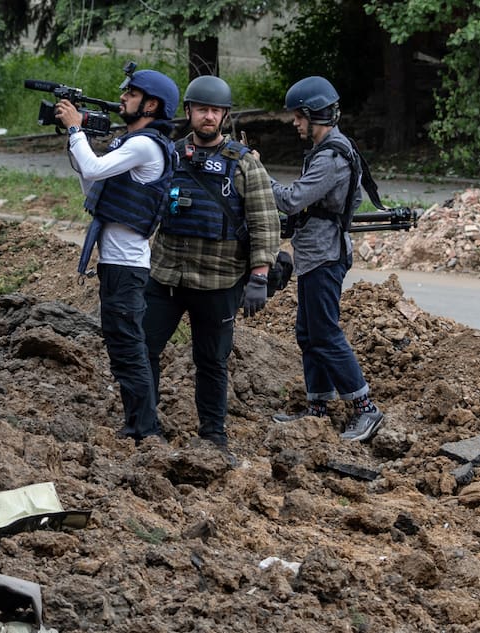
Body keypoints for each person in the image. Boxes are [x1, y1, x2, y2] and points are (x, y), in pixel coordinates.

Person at [142, 75, 281, 459]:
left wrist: (259, 275)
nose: (208, 117)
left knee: (212, 361)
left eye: (215, 111)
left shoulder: (244, 165)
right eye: (202, 109)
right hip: (167, 274)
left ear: (224, 116)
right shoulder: (168, 154)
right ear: (188, 112)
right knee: (144, 347)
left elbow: (266, 222)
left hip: (220, 281)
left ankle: (214, 437)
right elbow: (146, 208)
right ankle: (143, 425)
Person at [55, 67, 179, 444]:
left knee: (128, 346)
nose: (122, 98)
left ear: (151, 104)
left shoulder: (145, 145)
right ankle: (137, 423)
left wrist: (77, 130)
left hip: (127, 268)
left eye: (131, 94)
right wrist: (76, 140)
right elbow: (92, 180)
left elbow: (92, 166)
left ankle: (145, 428)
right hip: (116, 264)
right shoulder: (133, 142)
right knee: (122, 344)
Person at [269, 75, 384, 442]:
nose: (295, 123)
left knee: (325, 332)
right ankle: (318, 408)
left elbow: (291, 199)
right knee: (308, 332)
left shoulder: (332, 156)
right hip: (313, 252)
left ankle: (365, 408)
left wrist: (255, 175)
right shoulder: (325, 150)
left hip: (325, 255)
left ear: (315, 115)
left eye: (299, 116)